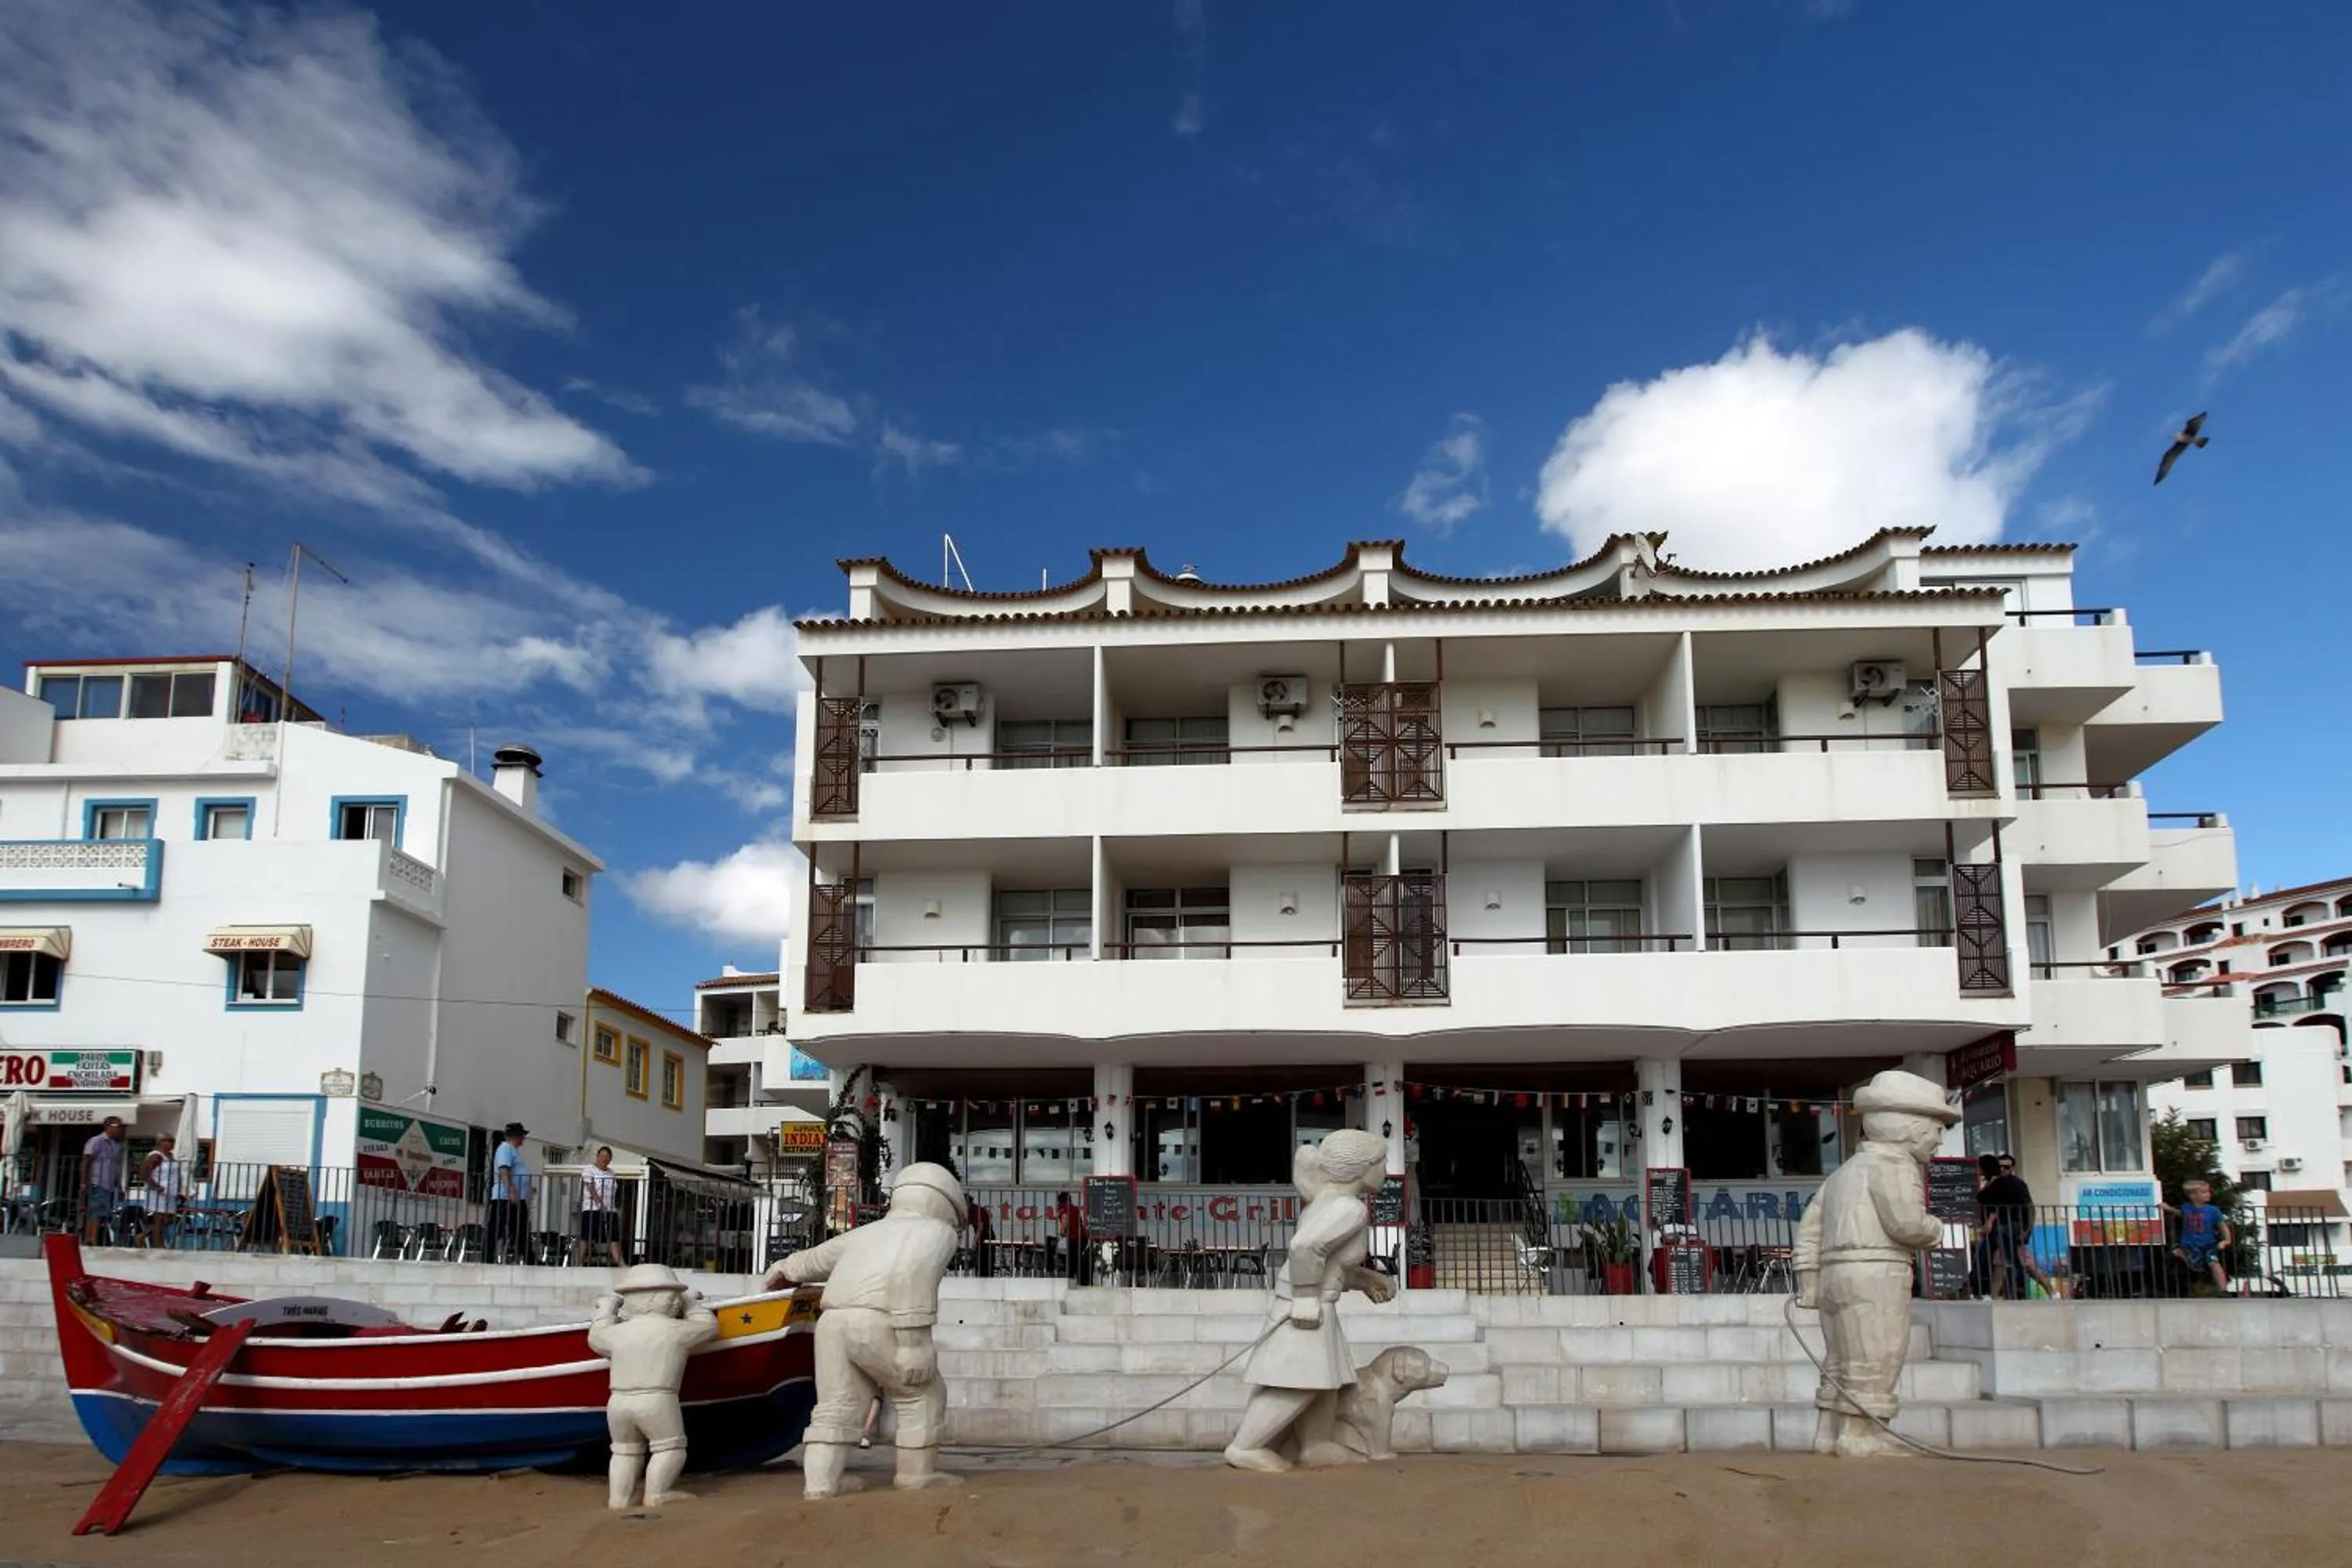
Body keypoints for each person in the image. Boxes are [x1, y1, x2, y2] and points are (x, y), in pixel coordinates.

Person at [762, 1162, 967, 1497]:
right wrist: (914, 1343)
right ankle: (917, 1476)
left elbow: (816, 1259)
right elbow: (911, 1276)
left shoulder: (867, 1232)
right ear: (947, 1203)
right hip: (877, 1321)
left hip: (832, 1322)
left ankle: (821, 1484)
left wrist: (784, 1267)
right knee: (923, 1395)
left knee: (836, 1405)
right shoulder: (934, 1231)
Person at [1793, 1070, 1956, 1457]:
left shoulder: (1841, 1174)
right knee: (1876, 1355)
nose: (1938, 1140)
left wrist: (1810, 1282)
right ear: (1912, 1130)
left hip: (1836, 1276)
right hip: (1876, 1272)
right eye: (1936, 1129)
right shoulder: (1895, 1166)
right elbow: (1906, 1224)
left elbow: (1809, 1230)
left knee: (1840, 1359)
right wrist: (1935, 1228)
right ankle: (1860, 1435)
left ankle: (1830, 1432)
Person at [1223, 1131, 1397, 1472]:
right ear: (1362, 1168)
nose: (1387, 1172)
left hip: (1316, 1303)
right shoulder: (1350, 1208)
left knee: (1322, 1381)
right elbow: (1305, 1248)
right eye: (1381, 1164)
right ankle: (1245, 1446)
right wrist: (1304, 1298)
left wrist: (1365, 1279)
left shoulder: (1327, 1201)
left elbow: (1328, 1264)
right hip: (1305, 1305)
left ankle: (1316, 1445)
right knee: (1297, 1383)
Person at [589, 1263, 719, 1510]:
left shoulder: (616, 1333)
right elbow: (709, 1327)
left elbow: (596, 1335)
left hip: (618, 1402)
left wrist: (606, 1309)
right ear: (672, 1299)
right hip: (657, 1400)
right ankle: (658, 1493)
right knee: (670, 1447)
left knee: (624, 1451)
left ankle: (619, 1499)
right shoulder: (676, 1330)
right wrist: (691, 1304)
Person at [1976, 1152, 2057, 1300]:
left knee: (2025, 1264)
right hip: (2001, 1232)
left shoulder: (2017, 1184)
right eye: (2000, 1167)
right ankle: (1993, 1296)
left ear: (2012, 1168)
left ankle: (2051, 1290)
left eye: (2007, 1167)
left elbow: (2029, 1207)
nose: (2003, 1170)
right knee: (2001, 1264)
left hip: (2013, 1232)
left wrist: (2027, 1231)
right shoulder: (1995, 1184)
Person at [2165, 1179, 2233, 1296]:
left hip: (2209, 1244)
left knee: (2214, 1263)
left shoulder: (2213, 1210)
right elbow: (2181, 1214)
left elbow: (2222, 1226)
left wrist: (2227, 1240)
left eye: (2208, 1192)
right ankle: (2179, 1252)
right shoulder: (2186, 1207)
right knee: (2196, 1267)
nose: (2208, 1194)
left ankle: (2224, 1290)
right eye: (2204, 1192)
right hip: (2190, 1244)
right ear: (2193, 1196)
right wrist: (2168, 1209)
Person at [80, 1116, 127, 1247]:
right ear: (107, 1126)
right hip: (97, 1181)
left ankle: (91, 1238)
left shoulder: (116, 1145)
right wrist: (84, 1181)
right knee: (96, 1210)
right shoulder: (96, 1141)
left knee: (102, 1212)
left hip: (109, 1183)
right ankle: (91, 1239)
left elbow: (116, 1166)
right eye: (115, 1126)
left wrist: (119, 1185)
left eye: (119, 1126)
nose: (118, 1129)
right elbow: (87, 1160)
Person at [492, 1121, 533, 1263]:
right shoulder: (506, 1148)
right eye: (522, 1135)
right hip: (506, 1198)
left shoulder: (512, 1150)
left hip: (516, 1198)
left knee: (520, 1230)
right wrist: (511, 1191)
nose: (524, 1139)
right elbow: (504, 1169)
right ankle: (489, 1257)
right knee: (499, 1228)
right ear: (516, 1136)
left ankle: (528, 1258)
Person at [579, 1145, 626, 1267]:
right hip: (592, 1208)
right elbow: (591, 1188)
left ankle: (620, 1262)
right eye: (603, 1155)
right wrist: (600, 1204)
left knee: (613, 1237)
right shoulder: (590, 1169)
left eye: (608, 1156)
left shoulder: (611, 1173)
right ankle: (578, 1261)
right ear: (598, 1156)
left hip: (610, 1209)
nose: (605, 1158)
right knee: (587, 1236)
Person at [141, 1134, 183, 1248]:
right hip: (159, 1193)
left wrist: (180, 1189)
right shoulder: (156, 1156)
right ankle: (157, 1245)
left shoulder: (170, 1156)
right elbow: (144, 1173)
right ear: (161, 1142)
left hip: (170, 1193)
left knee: (168, 1219)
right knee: (159, 1220)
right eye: (170, 1141)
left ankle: (142, 1236)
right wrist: (156, 1186)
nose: (172, 1143)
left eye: (173, 1141)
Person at [1052, 1189, 1090, 1286]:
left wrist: (1062, 1232)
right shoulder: (1074, 1208)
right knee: (1077, 1257)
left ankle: (1072, 1277)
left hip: (1074, 1238)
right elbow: (1079, 1222)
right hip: (1083, 1237)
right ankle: (1082, 1279)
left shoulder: (1063, 1207)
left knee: (1072, 1258)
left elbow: (1065, 1218)